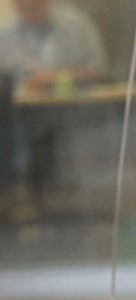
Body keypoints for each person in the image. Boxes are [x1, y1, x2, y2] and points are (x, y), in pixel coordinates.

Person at [0, 0, 107, 220]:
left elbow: (99, 70)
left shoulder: (76, 26)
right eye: (20, 4)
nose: (27, 6)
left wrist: (53, 78)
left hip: (76, 115)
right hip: (22, 120)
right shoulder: (6, 33)